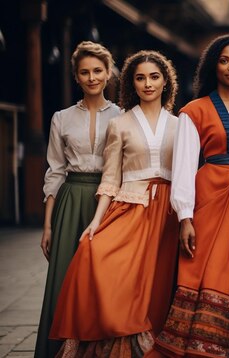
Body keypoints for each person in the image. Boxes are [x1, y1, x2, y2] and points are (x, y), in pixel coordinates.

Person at [49, 50, 180, 356]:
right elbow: (110, 179)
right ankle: (118, 332)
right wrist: (96, 222)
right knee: (93, 254)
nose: (147, 84)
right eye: (140, 78)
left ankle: (154, 340)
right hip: (131, 206)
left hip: (169, 212)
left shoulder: (181, 124)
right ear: (131, 84)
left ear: (166, 82)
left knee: (157, 285)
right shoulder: (119, 124)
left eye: (154, 77)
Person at [152, 35, 229, 357]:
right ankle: (196, 348)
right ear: (213, 65)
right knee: (203, 269)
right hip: (209, 199)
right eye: (225, 60)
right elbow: (185, 166)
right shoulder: (194, 110)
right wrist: (185, 217)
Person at [35, 41, 121, 358]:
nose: (92, 77)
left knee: (105, 281)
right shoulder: (61, 118)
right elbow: (55, 170)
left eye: (98, 70)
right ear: (76, 76)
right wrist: (47, 226)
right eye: (84, 72)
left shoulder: (124, 115)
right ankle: (57, 350)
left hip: (111, 200)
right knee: (63, 279)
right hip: (71, 199)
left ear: (108, 72)